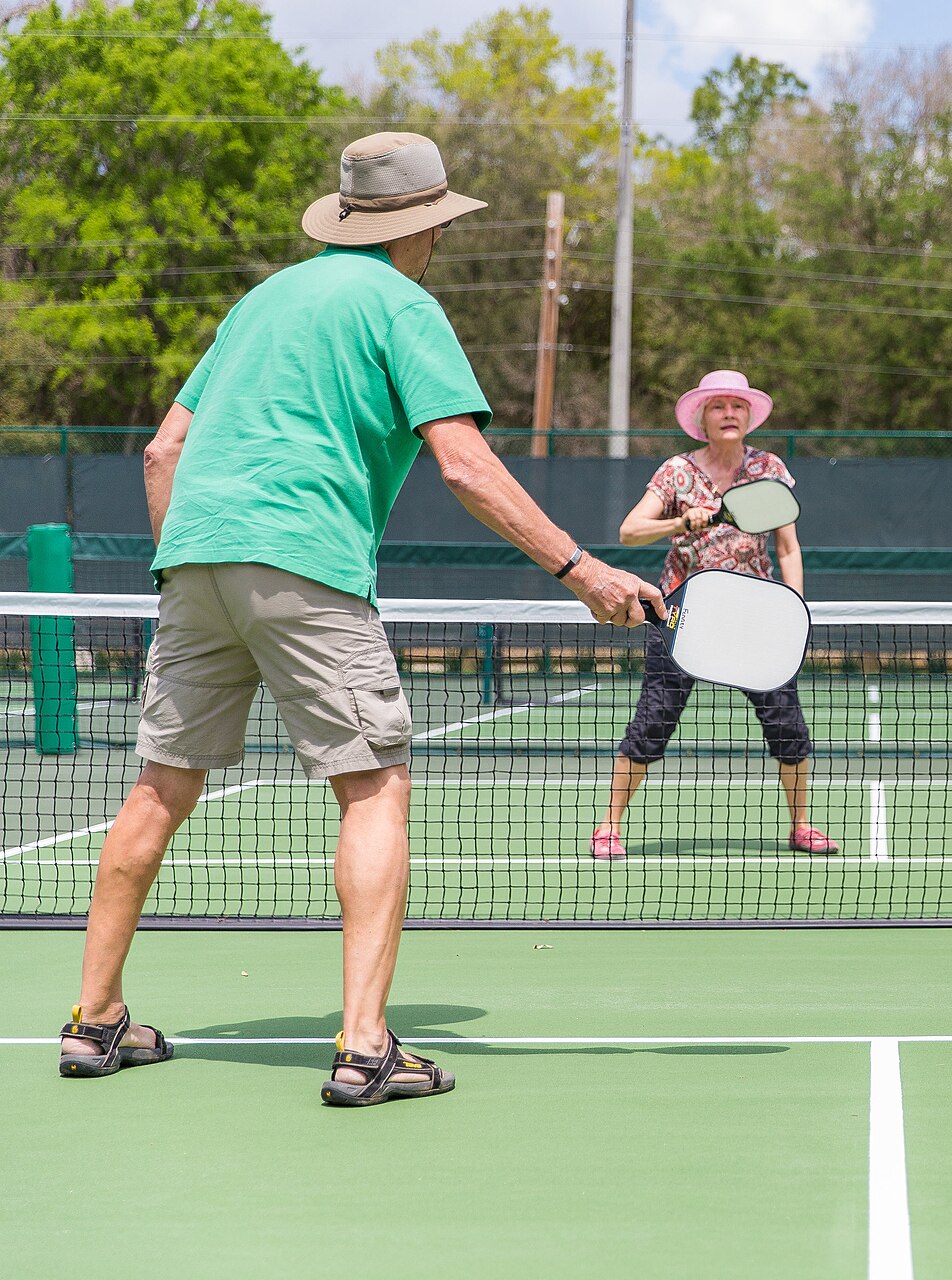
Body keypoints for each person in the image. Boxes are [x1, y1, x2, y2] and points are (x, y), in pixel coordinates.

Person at [56, 133, 655, 1105]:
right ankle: (367, 1044)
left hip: (193, 562)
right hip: (304, 560)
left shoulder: (261, 302)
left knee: (161, 787)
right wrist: (580, 567)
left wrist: (183, 567)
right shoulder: (402, 305)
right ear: (422, 227)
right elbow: (461, 463)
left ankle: (94, 1019)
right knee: (373, 787)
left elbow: (164, 451)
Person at [591, 370, 839, 858]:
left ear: (749, 416)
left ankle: (801, 826)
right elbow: (629, 531)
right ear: (702, 418)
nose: (729, 413)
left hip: (757, 619)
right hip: (682, 616)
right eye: (719, 405)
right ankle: (609, 826)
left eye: (738, 406)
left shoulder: (769, 468)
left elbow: (788, 548)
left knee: (787, 724)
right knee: (653, 721)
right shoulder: (677, 472)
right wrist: (683, 520)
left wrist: (795, 611)